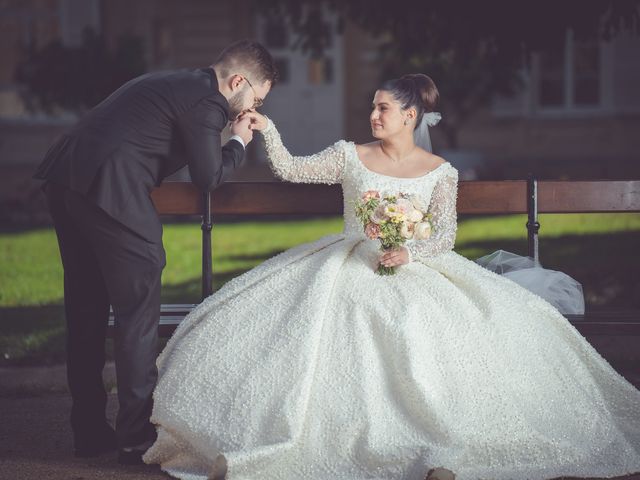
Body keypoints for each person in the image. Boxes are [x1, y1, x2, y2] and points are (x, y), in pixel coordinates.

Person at [143, 74, 640, 479]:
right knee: (333, 320)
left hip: (417, 265)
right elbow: (291, 169)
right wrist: (266, 130)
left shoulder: (440, 171)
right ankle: (273, 447)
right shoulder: (348, 154)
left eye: (383, 108)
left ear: (411, 116)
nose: (373, 115)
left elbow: (443, 236)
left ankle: (437, 448)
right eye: (372, 107)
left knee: (436, 332)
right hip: (347, 261)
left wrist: (410, 252)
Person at [33, 40, 277, 464]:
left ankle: (89, 432)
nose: (249, 108)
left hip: (66, 176)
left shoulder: (175, 81)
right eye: (255, 98)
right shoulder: (208, 100)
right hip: (112, 189)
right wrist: (238, 139)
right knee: (138, 315)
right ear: (238, 81)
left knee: (86, 312)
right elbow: (208, 177)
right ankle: (134, 439)